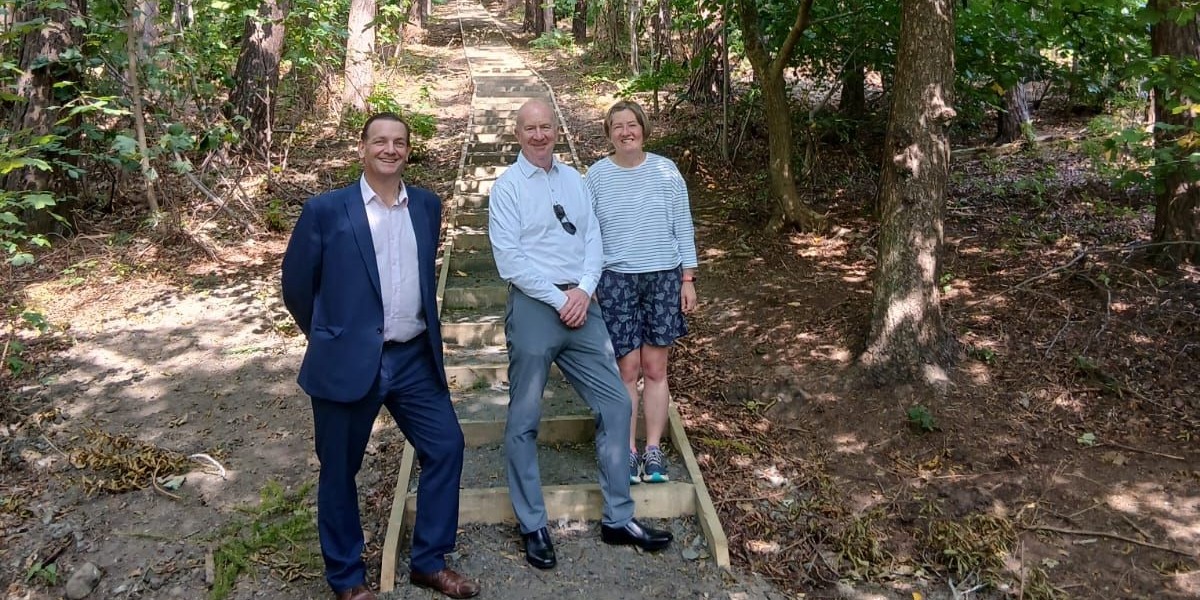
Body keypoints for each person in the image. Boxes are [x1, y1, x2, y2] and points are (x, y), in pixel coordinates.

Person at [281, 112, 480, 600]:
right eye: (380, 142)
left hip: (413, 359)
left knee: (446, 447)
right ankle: (348, 580)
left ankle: (429, 561)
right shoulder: (326, 210)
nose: (389, 150)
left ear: (408, 150)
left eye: (399, 143)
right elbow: (296, 286)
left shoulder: (427, 207)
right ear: (363, 148)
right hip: (348, 361)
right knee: (339, 469)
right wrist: (331, 336)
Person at [488, 99, 673, 570]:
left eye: (545, 126)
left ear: (555, 128)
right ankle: (533, 524)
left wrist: (585, 290)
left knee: (614, 402)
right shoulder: (507, 188)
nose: (538, 135)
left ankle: (618, 517)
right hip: (536, 306)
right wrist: (559, 298)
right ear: (518, 133)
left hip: (582, 304)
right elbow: (510, 260)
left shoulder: (576, 179)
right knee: (525, 417)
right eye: (529, 128)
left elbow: (594, 239)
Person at [585, 100, 698, 486]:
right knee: (626, 368)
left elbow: (683, 224)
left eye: (632, 124)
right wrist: (590, 280)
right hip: (615, 280)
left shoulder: (666, 170)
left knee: (655, 368)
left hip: (663, 278)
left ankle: (652, 448)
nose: (625, 131)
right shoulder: (596, 176)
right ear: (609, 133)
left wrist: (688, 278)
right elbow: (587, 233)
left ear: (643, 129)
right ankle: (626, 449)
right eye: (617, 126)